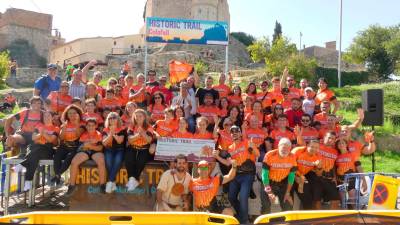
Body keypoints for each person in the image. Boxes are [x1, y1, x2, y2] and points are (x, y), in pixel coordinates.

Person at [212, 125, 259, 224]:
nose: (234, 134)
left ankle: (244, 221)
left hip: (247, 175)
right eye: (232, 132)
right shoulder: (230, 148)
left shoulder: (247, 142)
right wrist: (217, 157)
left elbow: (257, 154)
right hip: (236, 175)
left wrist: (252, 147)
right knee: (231, 197)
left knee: (242, 197)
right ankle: (242, 215)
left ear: (240, 133)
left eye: (237, 131)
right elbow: (228, 163)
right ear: (231, 135)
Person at [12, 111, 59, 191]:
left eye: (48, 116)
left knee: (36, 149)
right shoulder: (39, 125)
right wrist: (42, 135)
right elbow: (33, 138)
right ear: (42, 118)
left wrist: (43, 134)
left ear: (52, 117)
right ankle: (28, 181)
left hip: (47, 150)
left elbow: (51, 140)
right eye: (45, 116)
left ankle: (23, 166)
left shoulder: (56, 128)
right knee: (35, 152)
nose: (46, 118)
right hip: (35, 148)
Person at [67, 118, 105, 195]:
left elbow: (100, 148)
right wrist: (87, 145)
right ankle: (71, 185)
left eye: (92, 125)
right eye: (89, 126)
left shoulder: (99, 134)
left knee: (101, 161)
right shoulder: (83, 134)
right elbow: (80, 148)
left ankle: (102, 185)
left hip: (95, 151)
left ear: (96, 126)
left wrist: (90, 146)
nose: (91, 127)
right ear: (86, 126)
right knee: (74, 162)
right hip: (85, 151)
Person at [51, 105, 85, 185]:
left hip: (75, 146)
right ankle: (58, 175)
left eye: (74, 113)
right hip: (64, 145)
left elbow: (79, 135)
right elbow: (61, 138)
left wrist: (76, 124)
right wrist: (64, 127)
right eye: (70, 113)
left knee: (69, 157)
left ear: (78, 114)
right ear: (67, 114)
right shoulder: (64, 124)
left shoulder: (82, 124)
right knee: (57, 156)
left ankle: (58, 175)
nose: (72, 115)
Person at [262, 138, 297, 213]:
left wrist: (288, 192)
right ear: (278, 146)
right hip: (269, 182)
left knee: (288, 206)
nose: (285, 150)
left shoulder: (292, 157)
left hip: (283, 183)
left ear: (290, 149)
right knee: (266, 206)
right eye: (283, 147)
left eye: (287, 148)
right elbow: (264, 175)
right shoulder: (269, 155)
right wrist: (269, 192)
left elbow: (291, 177)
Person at [125, 109, 154, 191]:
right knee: (128, 160)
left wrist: (143, 133)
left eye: (140, 116)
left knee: (140, 161)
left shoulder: (149, 127)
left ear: (144, 117)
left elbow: (149, 140)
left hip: (144, 148)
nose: (138, 118)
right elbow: (130, 140)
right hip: (133, 147)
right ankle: (132, 180)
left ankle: (133, 180)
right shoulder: (132, 126)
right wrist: (139, 135)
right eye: (136, 116)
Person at [291, 140, 322, 209]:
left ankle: (307, 217)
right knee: (289, 198)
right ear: (307, 146)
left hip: (302, 177)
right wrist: (298, 176)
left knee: (307, 199)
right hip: (290, 175)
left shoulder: (318, 156)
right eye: (312, 146)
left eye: (316, 148)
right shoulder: (297, 151)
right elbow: (290, 165)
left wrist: (319, 167)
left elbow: (319, 174)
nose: (314, 149)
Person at [102, 112, 127, 193]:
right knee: (108, 163)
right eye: (110, 118)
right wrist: (110, 134)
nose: (112, 119)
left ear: (118, 119)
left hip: (119, 149)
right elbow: (104, 143)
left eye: (114, 118)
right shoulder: (105, 129)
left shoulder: (122, 128)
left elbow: (120, 141)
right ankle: (113, 181)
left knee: (117, 162)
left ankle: (109, 182)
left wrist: (114, 134)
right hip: (109, 149)